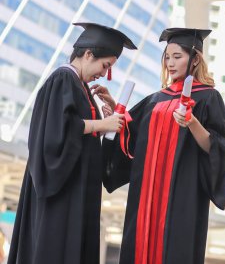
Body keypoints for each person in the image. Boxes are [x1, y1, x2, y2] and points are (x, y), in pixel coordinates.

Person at [7, 22, 137, 264]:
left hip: (77, 188)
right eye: (105, 65)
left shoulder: (81, 86)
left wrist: (105, 116)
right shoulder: (63, 79)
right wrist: (101, 124)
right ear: (88, 54)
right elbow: (57, 130)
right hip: (61, 188)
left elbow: (83, 132)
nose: (103, 72)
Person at [102, 27, 225, 264]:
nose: (170, 63)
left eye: (178, 56)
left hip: (182, 193)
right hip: (146, 192)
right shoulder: (156, 99)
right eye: (167, 57)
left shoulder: (208, 98)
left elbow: (218, 147)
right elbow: (129, 134)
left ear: (194, 60)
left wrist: (192, 122)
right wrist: (115, 110)